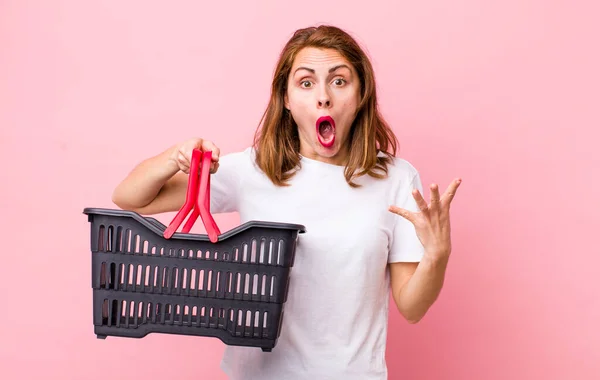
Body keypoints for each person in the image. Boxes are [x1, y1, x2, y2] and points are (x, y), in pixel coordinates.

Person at [112, 24, 461, 380]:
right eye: (306, 83)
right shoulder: (254, 169)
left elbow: (412, 307)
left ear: (360, 96)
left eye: (339, 81)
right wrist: (174, 157)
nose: (323, 97)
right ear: (287, 100)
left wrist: (437, 254)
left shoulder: (396, 179)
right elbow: (130, 197)